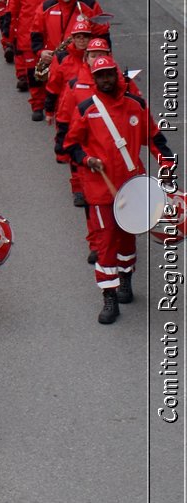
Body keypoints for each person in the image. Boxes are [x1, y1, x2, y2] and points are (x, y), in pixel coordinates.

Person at [63, 54, 172, 323]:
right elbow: (71, 146)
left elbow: (155, 138)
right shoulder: (87, 109)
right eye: (100, 75)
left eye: (109, 74)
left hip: (132, 186)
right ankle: (109, 296)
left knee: (127, 240)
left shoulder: (136, 105)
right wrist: (87, 160)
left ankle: (125, 280)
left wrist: (167, 166)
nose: (106, 79)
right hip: (100, 190)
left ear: (117, 74)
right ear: (95, 78)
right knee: (106, 242)